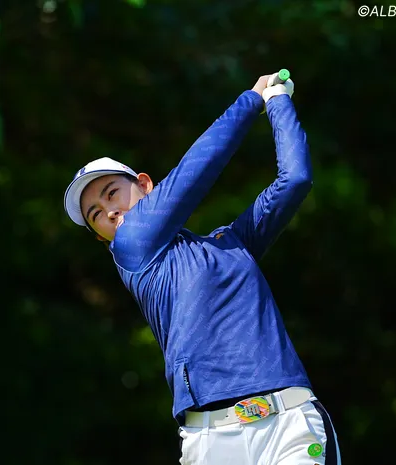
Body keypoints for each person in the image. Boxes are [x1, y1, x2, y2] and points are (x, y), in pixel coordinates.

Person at [63, 73, 341, 465]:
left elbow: (294, 179)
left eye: (112, 193)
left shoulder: (232, 243)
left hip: (288, 425)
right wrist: (251, 100)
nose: (109, 211)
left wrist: (278, 100)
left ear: (146, 185)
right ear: (101, 237)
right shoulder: (130, 249)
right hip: (210, 440)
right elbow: (199, 167)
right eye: (96, 214)